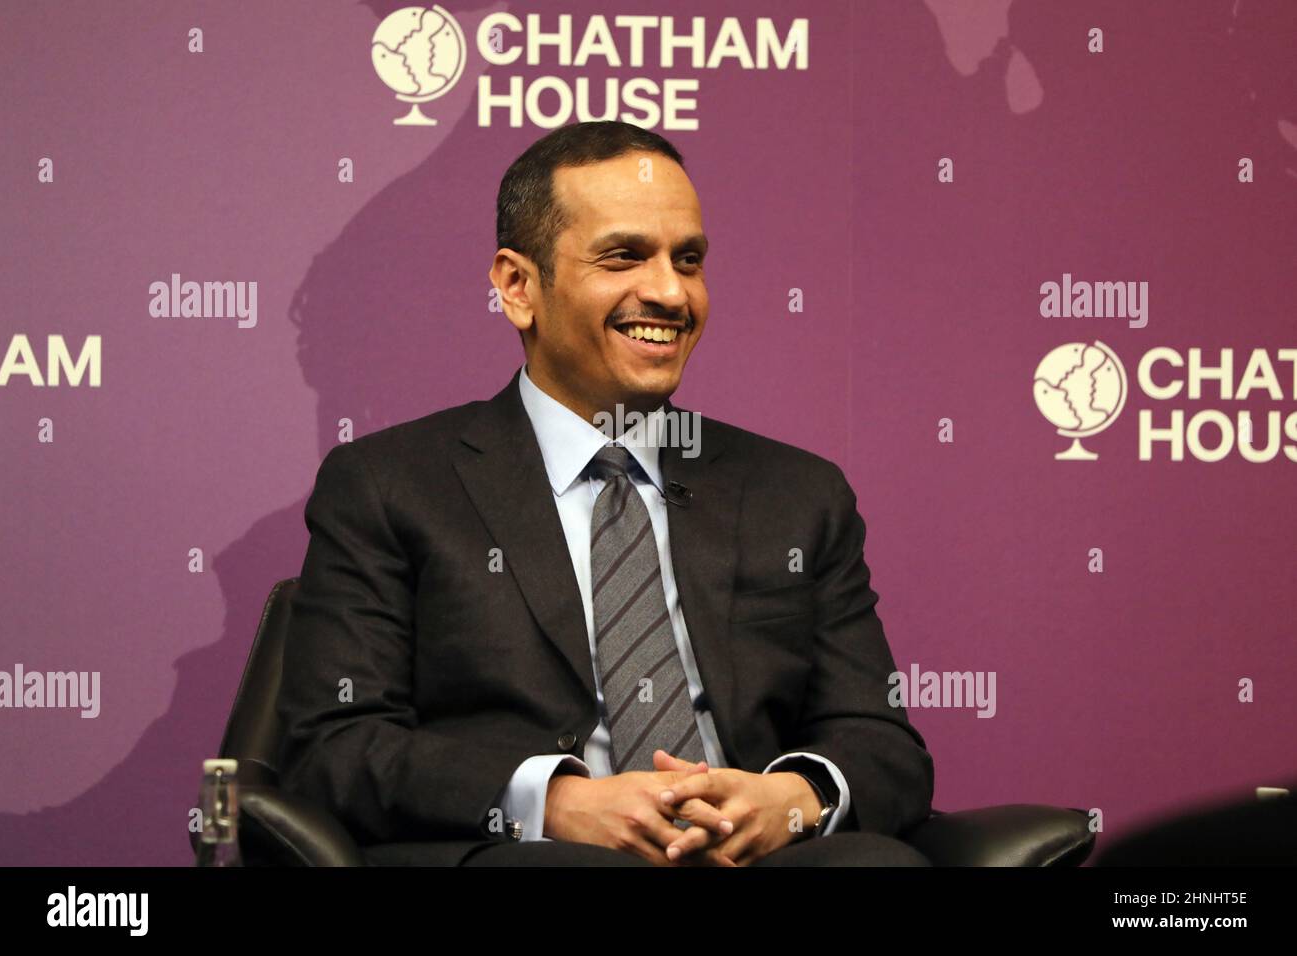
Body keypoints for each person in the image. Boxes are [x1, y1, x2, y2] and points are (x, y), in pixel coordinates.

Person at [276, 120, 935, 866]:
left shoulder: (798, 495)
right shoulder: (390, 486)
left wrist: (794, 798)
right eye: (625, 256)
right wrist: (555, 803)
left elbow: (883, 743)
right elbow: (334, 747)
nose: (669, 292)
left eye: (688, 261)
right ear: (518, 287)